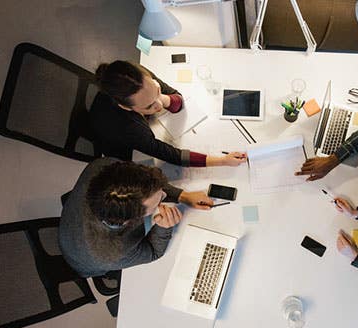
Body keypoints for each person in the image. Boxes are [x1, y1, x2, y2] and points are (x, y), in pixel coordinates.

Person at [59, 157, 215, 278]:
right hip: (84, 259)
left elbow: (147, 184)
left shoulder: (102, 167)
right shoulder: (111, 253)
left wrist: (183, 196)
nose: (165, 195)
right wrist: (163, 227)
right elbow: (153, 251)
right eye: (159, 201)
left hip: (74, 223)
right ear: (131, 220)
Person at [89, 60, 246, 166]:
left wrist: (161, 98)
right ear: (126, 107)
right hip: (125, 155)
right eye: (149, 106)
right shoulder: (127, 127)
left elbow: (177, 101)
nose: (158, 107)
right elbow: (168, 154)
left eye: (157, 90)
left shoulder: (138, 78)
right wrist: (222, 161)